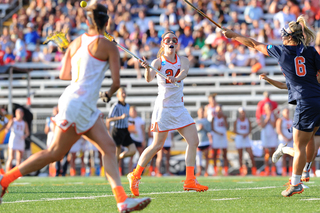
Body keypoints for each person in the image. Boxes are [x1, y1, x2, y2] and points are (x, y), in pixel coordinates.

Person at [0, 4, 151, 211]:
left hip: (76, 101)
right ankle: (4, 180)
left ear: (87, 21)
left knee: (107, 147)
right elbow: (116, 83)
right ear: (106, 22)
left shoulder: (76, 43)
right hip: (80, 104)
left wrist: (76, 59)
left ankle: (122, 200)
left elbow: (64, 75)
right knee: (54, 153)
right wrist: (106, 94)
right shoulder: (108, 46)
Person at [223, 15, 320, 197]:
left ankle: (296, 183)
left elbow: (253, 44)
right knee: (310, 141)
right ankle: (305, 170)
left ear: (289, 37)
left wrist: (234, 35)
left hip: (305, 102)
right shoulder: (311, 51)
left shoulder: (281, 51)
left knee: (299, 147)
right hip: (318, 99)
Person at [127, 31, 208, 196]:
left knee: (193, 141)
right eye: (167, 40)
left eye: (174, 40)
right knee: (157, 145)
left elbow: (184, 72)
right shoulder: (158, 62)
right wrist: (147, 68)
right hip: (163, 109)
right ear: (163, 44)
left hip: (179, 107)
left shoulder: (183, 60)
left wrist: (177, 78)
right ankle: (135, 175)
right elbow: (149, 78)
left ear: (176, 43)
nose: (171, 42)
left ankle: (190, 180)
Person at [106, 88, 137, 161]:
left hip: (125, 130)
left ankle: (118, 158)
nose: (123, 95)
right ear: (117, 95)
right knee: (117, 149)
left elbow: (126, 118)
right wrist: (120, 117)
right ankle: (114, 169)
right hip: (117, 131)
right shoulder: (115, 106)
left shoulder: (127, 106)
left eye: (124, 93)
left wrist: (130, 121)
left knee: (133, 150)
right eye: (122, 93)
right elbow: (109, 119)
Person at [233, 107, 257, 176]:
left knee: (251, 155)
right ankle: (241, 170)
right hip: (239, 138)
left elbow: (250, 129)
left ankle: (254, 170)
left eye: (243, 112)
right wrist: (241, 134)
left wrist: (246, 134)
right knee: (240, 155)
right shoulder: (236, 121)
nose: (242, 114)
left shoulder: (247, 120)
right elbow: (234, 130)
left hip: (246, 138)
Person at [5, 108, 29, 172]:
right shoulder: (13, 121)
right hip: (13, 140)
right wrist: (7, 129)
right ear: (16, 114)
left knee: (19, 158)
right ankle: (8, 172)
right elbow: (6, 129)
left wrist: (24, 136)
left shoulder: (24, 123)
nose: (20, 115)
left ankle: (17, 173)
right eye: (19, 113)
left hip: (20, 140)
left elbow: (27, 133)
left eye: (21, 113)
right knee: (11, 157)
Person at [259, 102, 278, 176]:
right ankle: (267, 170)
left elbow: (274, 125)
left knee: (273, 153)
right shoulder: (262, 116)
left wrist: (270, 117)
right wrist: (267, 118)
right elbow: (262, 125)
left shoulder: (274, 116)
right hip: (265, 136)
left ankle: (273, 170)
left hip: (272, 135)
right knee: (266, 153)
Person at [211, 104, 229, 176]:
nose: (219, 112)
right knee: (215, 154)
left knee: (225, 154)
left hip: (223, 137)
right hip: (216, 137)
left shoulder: (224, 117)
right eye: (218, 110)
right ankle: (215, 170)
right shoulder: (213, 118)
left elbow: (227, 126)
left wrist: (224, 119)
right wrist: (218, 133)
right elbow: (212, 128)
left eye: (220, 110)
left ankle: (225, 170)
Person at [276, 108, 293, 176]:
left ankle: (291, 170)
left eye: (288, 112)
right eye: (286, 112)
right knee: (283, 155)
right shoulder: (280, 120)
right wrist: (285, 138)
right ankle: (283, 171)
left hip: (291, 140)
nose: (287, 113)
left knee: (291, 156)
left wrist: (291, 137)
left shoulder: (291, 120)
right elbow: (278, 130)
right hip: (283, 140)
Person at [128, 106, 146, 173]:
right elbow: (128, 130)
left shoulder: (140, 120)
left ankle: (140, 171)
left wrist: (143, 140)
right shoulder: (129, 120)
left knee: (141, 156)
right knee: (131, 155)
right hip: (132, 139)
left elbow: (143, 130)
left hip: (139, 139)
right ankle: (130, 170)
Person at [195, 107, 212, 177]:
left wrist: (204, 128)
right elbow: (193, 131)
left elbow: (209, 130)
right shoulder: (195, 121)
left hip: (205, 141)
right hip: (198, 142)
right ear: (198, 112)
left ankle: (206, 171)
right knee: (198, 158)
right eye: (200, 111)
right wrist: (199, 128)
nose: (201, 113)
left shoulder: (207, 121)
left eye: (202, 111)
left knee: (206, 157)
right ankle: (199, 171)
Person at [44, 106, 58, 177]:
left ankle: (55, 171)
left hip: (56, 138)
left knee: (55, 155)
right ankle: (51, 171)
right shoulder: (49, 119)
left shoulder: (59, 119)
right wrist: (49, 124)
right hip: (50, 139)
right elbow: (46, 131)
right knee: (50, 155)